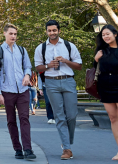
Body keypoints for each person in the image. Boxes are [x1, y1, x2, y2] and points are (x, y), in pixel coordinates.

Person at [34, 20, 82, 160]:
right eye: (49, 30)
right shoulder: (41, 48)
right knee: (59, 116)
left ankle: (67, 141)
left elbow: (79, 66)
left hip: (68, 80)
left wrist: (66, 61)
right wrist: (48, 65)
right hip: (51, 83)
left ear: (59, 31)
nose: (52, 33)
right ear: (46, 32)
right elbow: (38, 68)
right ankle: (67, 148)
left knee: (71, 115)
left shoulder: (69, 46)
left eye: (54, 30)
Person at [0, 24, 36, 160]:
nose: (13, 36)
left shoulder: (22, 50)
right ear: (4, 34)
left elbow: (28, 66)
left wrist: (27, 75)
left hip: (23, 90)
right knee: (11, 120)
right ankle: (17, 148)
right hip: (7, 91)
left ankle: (28, 149)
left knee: (25, 118)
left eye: (15, 34)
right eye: (11, 34)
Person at [94, 24, 118, 161]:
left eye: (107, 34)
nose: (105, 36)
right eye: (103, 35)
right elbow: (97, 69)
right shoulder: (101, 51)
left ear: (115, 34)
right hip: (105, 86)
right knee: (113, 118)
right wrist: (96, 60)